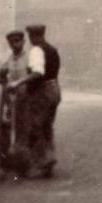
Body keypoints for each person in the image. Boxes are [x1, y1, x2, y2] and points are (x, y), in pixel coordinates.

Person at [25, 23, 61, 177]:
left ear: (32, 36)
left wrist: (19, 82)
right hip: (54, 89)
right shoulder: (52, 49)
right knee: (47, 127)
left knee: (35, 126)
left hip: (43, 92)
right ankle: (48, 163)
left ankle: (45, 161)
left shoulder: (36, 50)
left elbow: (38, 73)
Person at [0, 30, 34, 174]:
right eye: (12, 42)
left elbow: (34, 76)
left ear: (23, 42)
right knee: (12, 129)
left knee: (25, 130)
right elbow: (0, 76)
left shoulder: (29, 57)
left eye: (18, 41)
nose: (15, 44)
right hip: (12, 99)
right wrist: (5, 85)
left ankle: (25, 163)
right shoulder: (8, 59)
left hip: (27, 98)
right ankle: (12, 161)